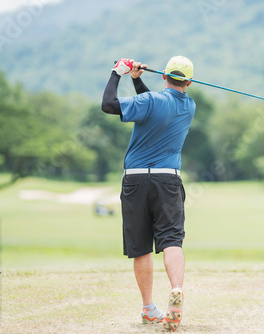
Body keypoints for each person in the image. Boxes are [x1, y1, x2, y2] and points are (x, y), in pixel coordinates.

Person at [101, 56, 196, 332]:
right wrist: (137, 79)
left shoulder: (151, 101)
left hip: (136, 180)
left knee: (141, 245)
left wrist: (117, 73)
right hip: (168, 180)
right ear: (188, 82)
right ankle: (176, 289)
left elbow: (108, 105)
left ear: (164, 76)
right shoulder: (189, 105)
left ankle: (148, 308)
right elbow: (155, 107)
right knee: (172, 240)